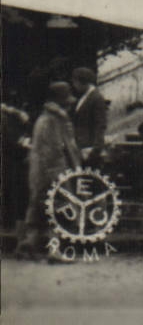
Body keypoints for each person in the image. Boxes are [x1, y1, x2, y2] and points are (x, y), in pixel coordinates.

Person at [19, 82, 80, 259]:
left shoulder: (44, 118)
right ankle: (55, 251)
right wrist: (63, 173)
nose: (69, 104)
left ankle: (28, 245)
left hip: (39, 171)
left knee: (37, 208)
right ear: (60, 101)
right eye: (66, 101)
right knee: (59, 209)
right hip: (52, 170)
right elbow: (54, 150)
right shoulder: (54, 120)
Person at [70, 66, 108, 167]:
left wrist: (96, 149)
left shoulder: (95, 98)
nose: (74, 85)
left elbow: (100, 124)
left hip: (88, 148)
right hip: (81, 146)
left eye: (75, 82)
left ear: (81, 81)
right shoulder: (85, 96)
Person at [2, 101, 31, 230]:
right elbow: (10, 142)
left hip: (9, 157)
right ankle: (8, 221)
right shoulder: (4, 117)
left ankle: (8, 221)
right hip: (9, 158)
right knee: (11, 187)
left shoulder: (7, 116)